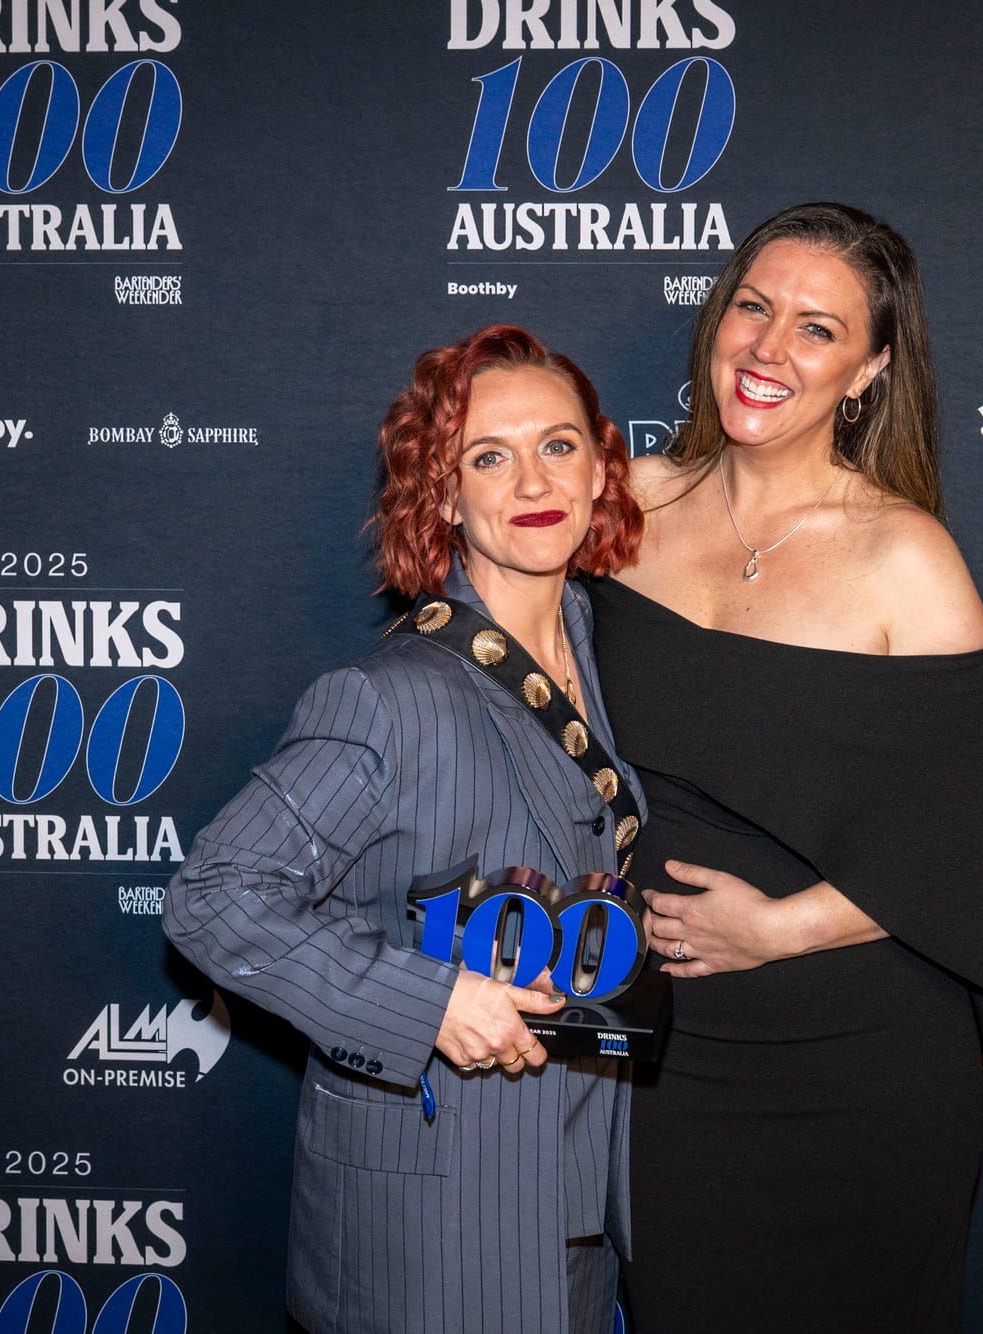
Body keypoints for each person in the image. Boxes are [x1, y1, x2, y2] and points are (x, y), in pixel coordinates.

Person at [586, 203, 983, 1332]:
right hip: (664, 1053)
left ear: (868, 368)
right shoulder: (624, 503)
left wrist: (780, 926)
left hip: (862, 1054)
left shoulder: (905, 556)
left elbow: (978, 844)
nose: (765, 348)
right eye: (752, 306)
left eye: (815, 328)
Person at [165, 324, 645, 1334]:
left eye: (557, 444)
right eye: (487, 455)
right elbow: (215, 898)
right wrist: (426, 1002)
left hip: (578, 1206)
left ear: (602, 467)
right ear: (442, 494)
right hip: (434, 1222)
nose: (530, 479)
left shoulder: (608, 651)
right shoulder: (386, 699)